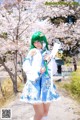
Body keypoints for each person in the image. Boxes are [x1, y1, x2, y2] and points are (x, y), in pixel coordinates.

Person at [20, 31, 60, 120]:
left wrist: (50, 60)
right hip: (35, 85)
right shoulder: (32, 52)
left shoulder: (48, 53)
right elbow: (25, 67)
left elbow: (54, 70)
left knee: (45, 114)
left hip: (46, 85)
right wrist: (38, 70)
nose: (36, 44)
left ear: (43, 41)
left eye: (38, 41)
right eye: (34, 42)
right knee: (39, 114)